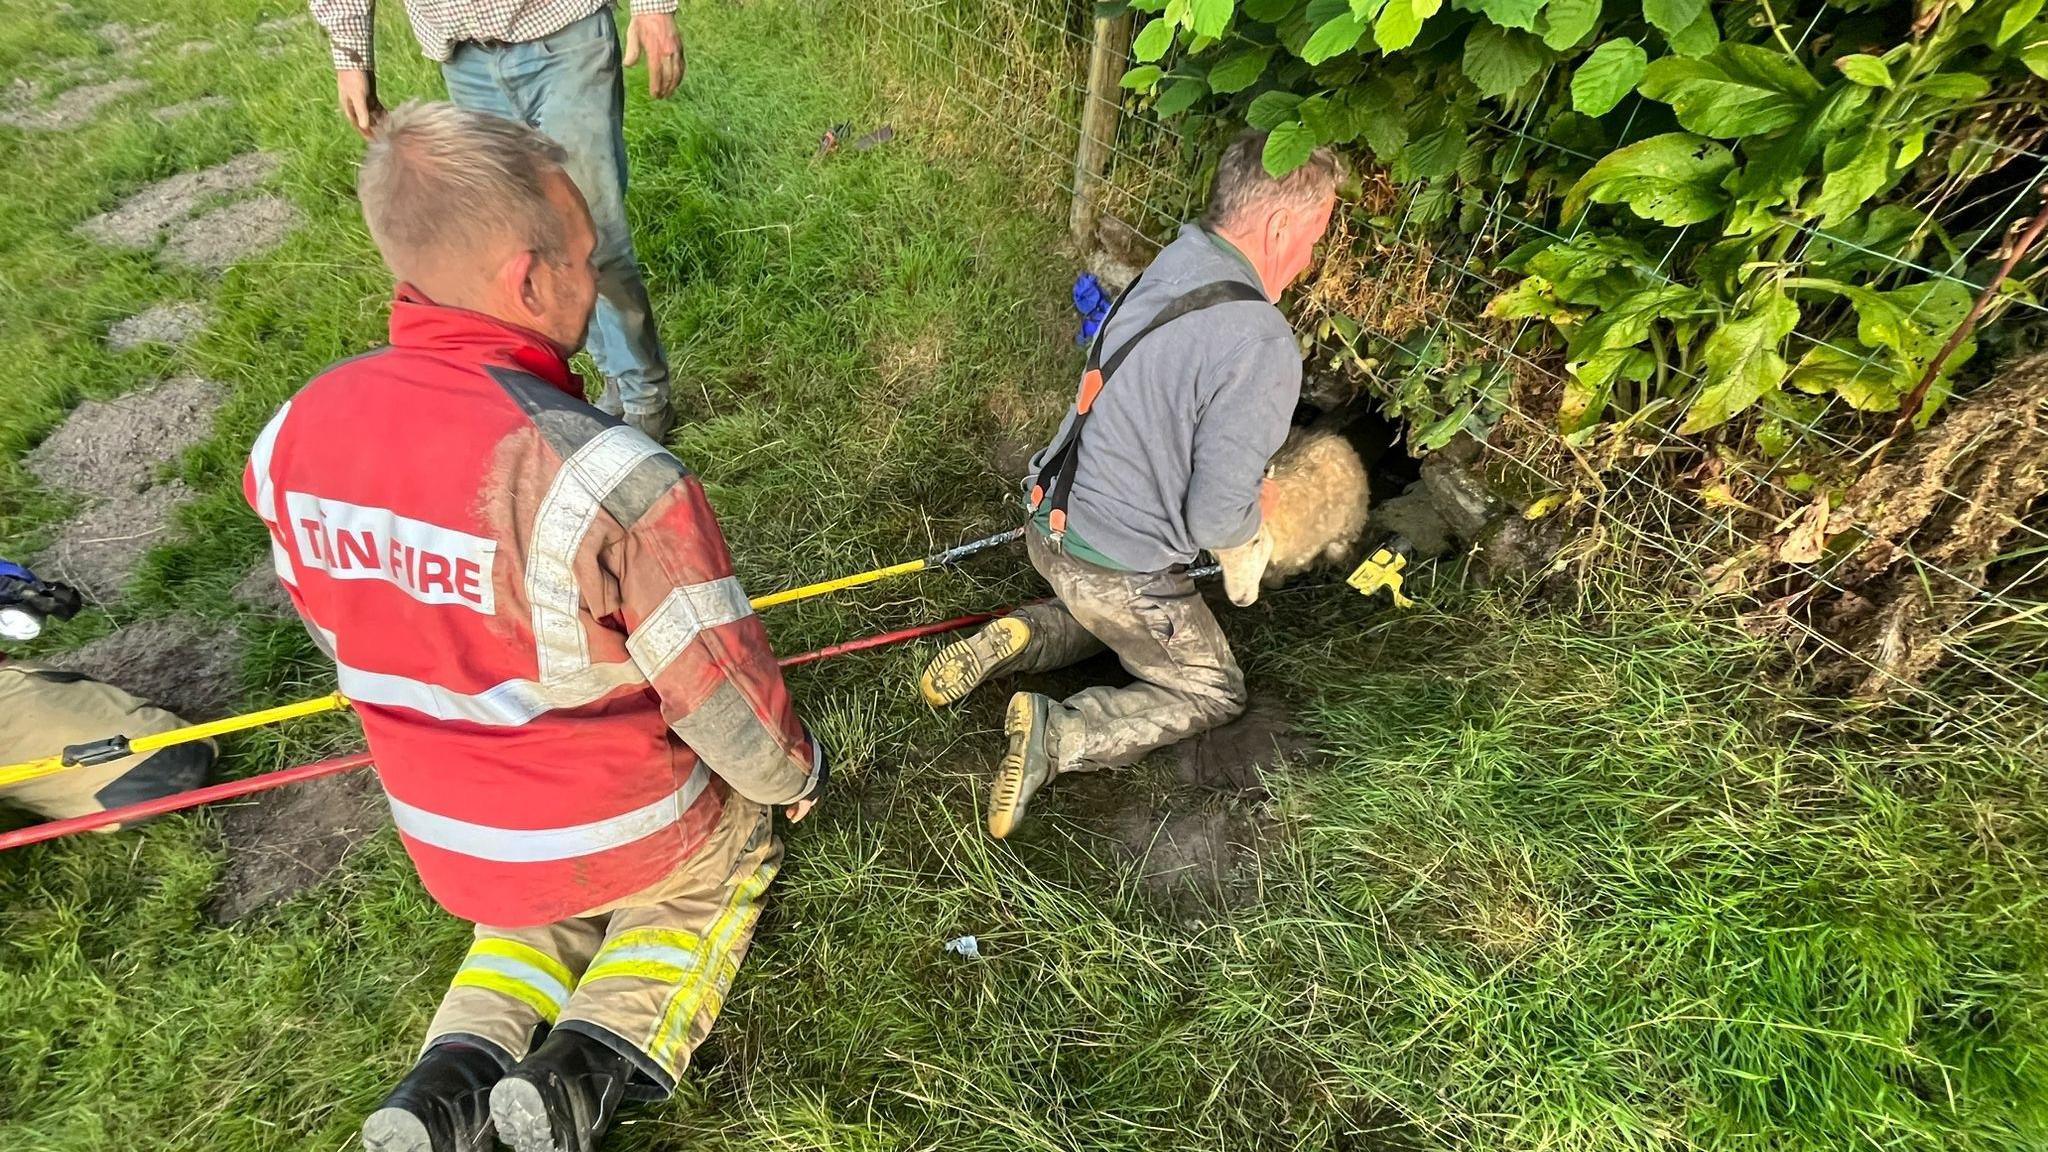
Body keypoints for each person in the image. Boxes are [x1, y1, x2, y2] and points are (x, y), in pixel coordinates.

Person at [243, 103, 824, 1152]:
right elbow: (725, 700)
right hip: (627, 831)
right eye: (584, 259)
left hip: (455, 845)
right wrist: (796, 775)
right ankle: (582, 1072)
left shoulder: (287, 438)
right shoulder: (607, 475)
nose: (593, 279)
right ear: (527, 279)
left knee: (524, 919)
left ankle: (446, 1081)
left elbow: (344, 631)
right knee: (708, 871)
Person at [920, 131, 1340, 839]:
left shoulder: (1181, 261)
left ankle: (1024, 636)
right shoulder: (1261, 343)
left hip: (1048, 522)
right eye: (1313, 238)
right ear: (1278, 227)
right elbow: (1216, 520)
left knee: (1129, 614)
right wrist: (1253, 534)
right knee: (1211, 687)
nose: (1308, 260)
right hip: (1111, 570)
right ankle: (1062, 734)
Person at [310, 0, 683, 440]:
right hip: (466, 59)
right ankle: (616, 381)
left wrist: (653, 8)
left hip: (565, 34)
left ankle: (646, 396)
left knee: (591, 237)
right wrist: (351, 55)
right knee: (529, 243)